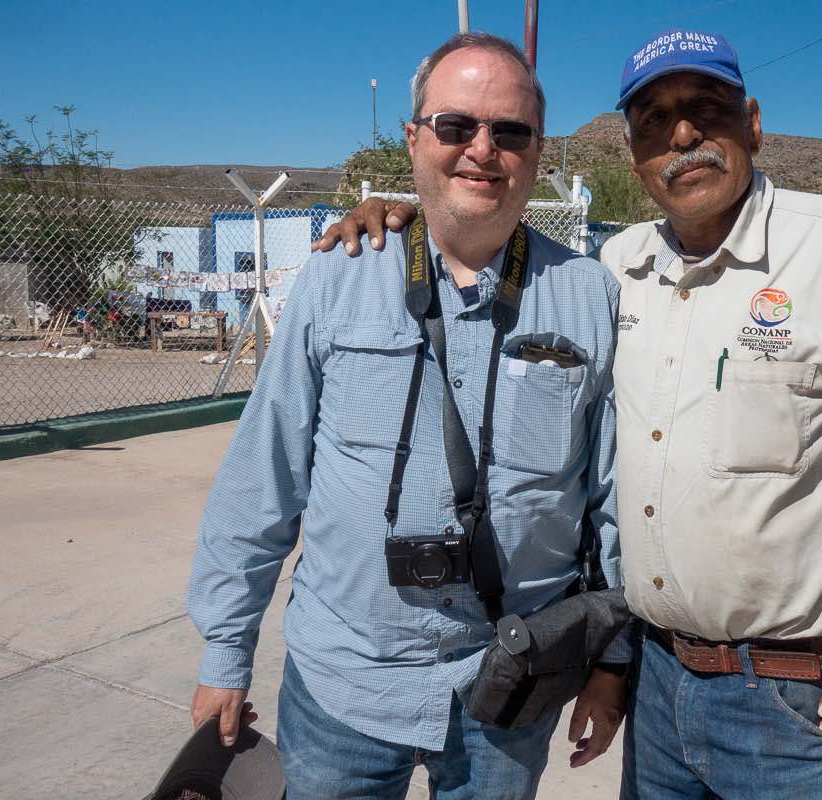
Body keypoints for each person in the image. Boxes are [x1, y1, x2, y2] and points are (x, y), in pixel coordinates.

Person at [314, 27, 822, 798]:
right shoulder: (618, 274)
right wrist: (411, 213)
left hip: (798, 706)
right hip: (656, 688)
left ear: (752, 123)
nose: (683, 134)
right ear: (634, 154)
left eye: (707, 109)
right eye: (654, 120)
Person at [188, 32, 632, 800]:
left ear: (538, 150)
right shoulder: (337, 278)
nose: (481, 150)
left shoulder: (593, 297)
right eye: (456, 126)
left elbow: (613, 502)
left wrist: (611, 664)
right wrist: (225, 653)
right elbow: (264, 477)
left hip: (510, 687)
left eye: (510, 132)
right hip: (345, 684)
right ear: (414, 137)